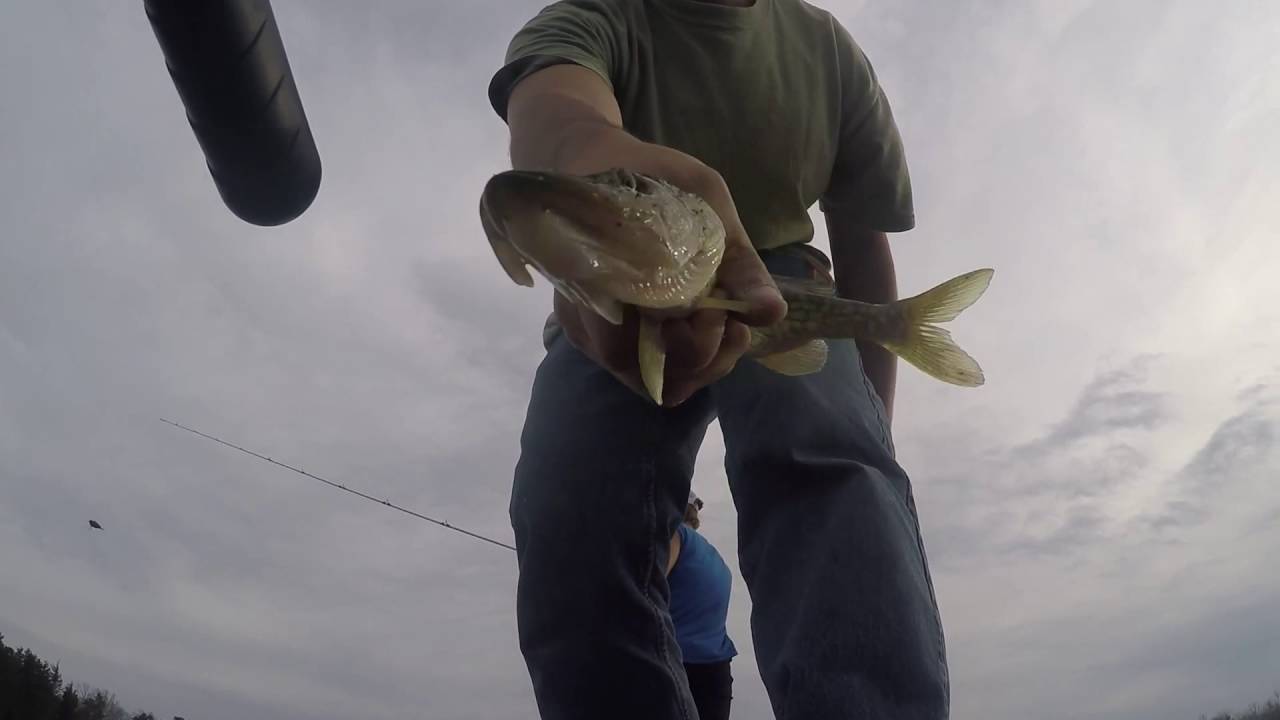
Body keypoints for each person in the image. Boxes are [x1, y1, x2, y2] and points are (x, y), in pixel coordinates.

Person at [489, 1, 950, 719]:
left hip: (788, 282)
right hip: (616, 295)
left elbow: (861, 243)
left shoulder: (830, 52)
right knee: (569, 508)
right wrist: (604, 179)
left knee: (834, 462)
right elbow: (554, 115)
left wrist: (871, 426)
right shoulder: (592, 17)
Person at [665, 491, 736, 720]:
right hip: (716, 676)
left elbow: (646, 585)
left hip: (677, 670)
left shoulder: (676, 537)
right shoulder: (718, 561)